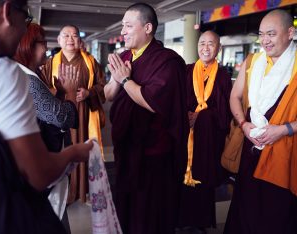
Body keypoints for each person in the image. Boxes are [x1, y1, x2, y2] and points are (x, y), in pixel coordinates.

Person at [0, 0, 92, 231]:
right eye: (25, 19)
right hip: (5, 202)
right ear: (7, 12)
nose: (24, 29)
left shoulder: (88, 62)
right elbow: (38, 173)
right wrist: (73, 153)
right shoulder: (3, 70)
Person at [104, 3, 189, 234]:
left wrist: (125, 80)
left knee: (149, 211)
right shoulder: (124, 56)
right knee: (126, 206)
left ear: (148, 28)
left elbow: (152, 102)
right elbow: (109, 95)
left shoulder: (167, 61)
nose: (123, 31)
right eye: (123, 26)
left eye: (129, 26)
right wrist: (115, 79)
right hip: (127, 147)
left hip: (153, 153)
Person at [224, 9, 297, 234]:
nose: (265, 40)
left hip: (286, 151)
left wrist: (284, 129)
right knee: (245, 208)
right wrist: (244, 124)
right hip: (251, 147)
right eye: (261, 34)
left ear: (291, 33)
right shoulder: (253, 61)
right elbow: (234, 97)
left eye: (272, 34)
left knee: (278, 214)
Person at [13, 23, 80, 234]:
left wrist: (60, 95)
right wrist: (69, 94)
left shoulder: (28, 73)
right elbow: (59, 117)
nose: (47, 47)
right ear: (28, 46)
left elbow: (47, 111)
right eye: (43, 42)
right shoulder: (28, 79)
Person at [41, 24, 106, 203]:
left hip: (83, 113)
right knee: (61, 150)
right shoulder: (49, 63)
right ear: (60, 40)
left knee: (83, 149)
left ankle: (83, 191)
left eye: (74, 35)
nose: (70, 39)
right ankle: (64, 192)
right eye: (66, 35)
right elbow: (43, 88)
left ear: (80, 40)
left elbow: (102, 85)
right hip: (58, 115)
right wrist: (59, 93)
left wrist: (89, 93)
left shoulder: (90, 62)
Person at [177, 31, 232, 231]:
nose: (206, 48)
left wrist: (201, 117)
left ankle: (202, 221)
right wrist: (187, 115)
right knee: (181, 177)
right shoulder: (187, 70)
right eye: (202, 43)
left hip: (208, 141)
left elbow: (226, 112)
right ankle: (181, 219)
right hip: (186, 135)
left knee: (204, 180)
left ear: (218, 48)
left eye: (211, 44)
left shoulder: (224, 77)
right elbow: (176, 100)